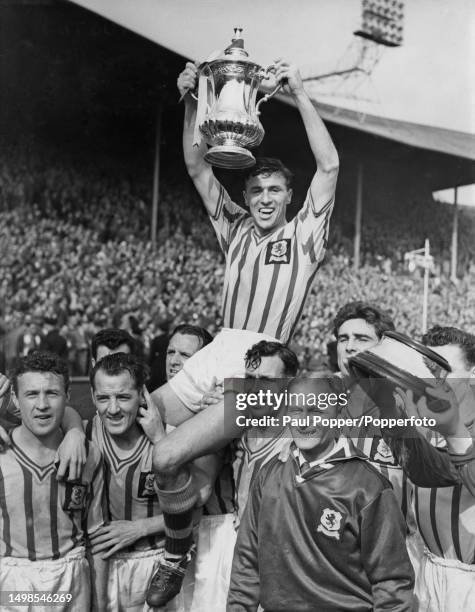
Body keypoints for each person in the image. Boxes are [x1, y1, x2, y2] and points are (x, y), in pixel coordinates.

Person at [148, 56, 339, 605]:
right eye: (256, 189)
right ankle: (187, 521)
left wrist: (300, 92)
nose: (262, 199)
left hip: (262, 363)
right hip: (217, 345)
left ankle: (173, 549)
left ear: (287, 196)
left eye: (274, 191)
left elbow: (328, 167)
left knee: (165, 458)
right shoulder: (233, 227)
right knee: (146, 412)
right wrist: (190, 101)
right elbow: (197, 167)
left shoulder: (304, 235)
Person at [227, 377, 415, 611]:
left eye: (316, 410)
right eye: (296, 410)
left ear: (339, 412)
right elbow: (247, 562)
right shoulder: (269, 475)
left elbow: (392, 584)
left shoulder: (369, 487)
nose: (304, 421)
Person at [0, 351, 107, 611]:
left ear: (68, 395)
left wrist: (100, 605)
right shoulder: (2, 453)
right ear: (14, 398)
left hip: (71, 576)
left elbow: (96, 538)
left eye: (52, 393)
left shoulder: (88, 454)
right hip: (13, 579)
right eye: (31, 394)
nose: (42, 404)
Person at [387, 326, 475, 612]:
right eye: (427, 369)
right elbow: (421, 473)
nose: (433, 380)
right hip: (427, 568)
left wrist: (454, 432)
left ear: (473, 373)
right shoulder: (424, 420)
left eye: (444, 370)